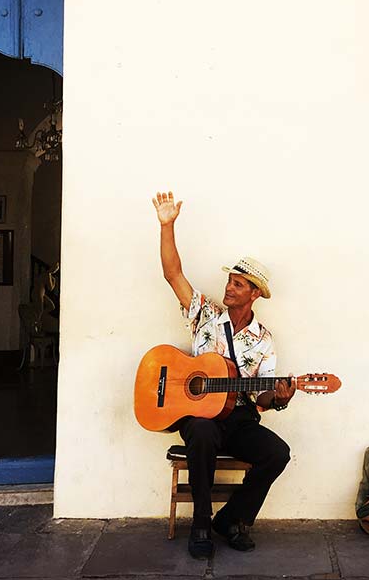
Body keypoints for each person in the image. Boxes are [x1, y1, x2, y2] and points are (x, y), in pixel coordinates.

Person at [152, 190, 295, 559]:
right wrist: (167, 226)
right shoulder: (204, 315)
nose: (229, 288)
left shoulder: (263, 340)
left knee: (277, 453)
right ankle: (201, 521)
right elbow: (173, 274)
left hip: (239, 420)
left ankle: (232, 520)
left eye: (237, 284)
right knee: (199, 431)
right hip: (201, 417)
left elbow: (262, 400)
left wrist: (278, 397)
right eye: (229, 281)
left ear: (254, 294)